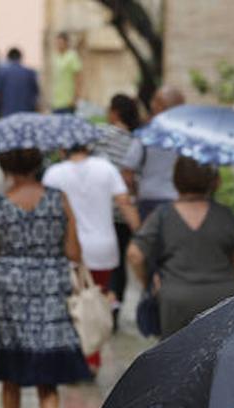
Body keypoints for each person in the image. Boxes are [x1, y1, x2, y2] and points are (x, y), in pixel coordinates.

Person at [127, 156, 234, 408]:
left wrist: (151, 283)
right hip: (221, 299)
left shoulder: (163, 215)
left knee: (181, 371)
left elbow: (135, 253)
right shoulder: (224, 215)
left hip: (176, 300)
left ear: (176, 179)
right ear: (210, 179)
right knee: (219, 370)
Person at [0, 147, 87, 408]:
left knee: (10, 376)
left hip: (9, 290)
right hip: (50, 287)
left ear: (8, 167)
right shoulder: (59, 200)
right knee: (47, 376)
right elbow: (73, 250)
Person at [42, 141, 140, 361]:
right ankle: (92, 356)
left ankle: (77, 357)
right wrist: (142, 235)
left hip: (68, 249)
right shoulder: (106, 168)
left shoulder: (54, 173)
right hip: (103, 248)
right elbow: (124, 203)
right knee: (95, 303)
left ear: (62, 149)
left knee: (72, 304)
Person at [95, 93, 141, 319]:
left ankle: (101, 306)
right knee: (119, 263)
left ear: (114, 112)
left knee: (103, 261)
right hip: (125, 212)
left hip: (102, 210)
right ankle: (115, 310)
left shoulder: (102, 134)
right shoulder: (136, 140)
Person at [121, 86, 183, 221]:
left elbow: (127, 175)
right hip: (180, 203)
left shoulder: (146, 135)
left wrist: (135, 193)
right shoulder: (188, 138)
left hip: (149, 201)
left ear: (159, 107)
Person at [0, 48, 39, 118]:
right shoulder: (30, 72)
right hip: (26, 113)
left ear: (8, 58)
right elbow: (36, 93)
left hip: (7, 113)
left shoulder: (2, 72)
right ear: (20, 57)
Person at [50, 33, 83, 114]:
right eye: (57, 43)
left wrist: (75, 98)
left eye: (60, 43)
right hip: (56, 102)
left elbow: (78, 78)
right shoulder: (56, 57)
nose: (58, 45)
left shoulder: (72, 56)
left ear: (66, 43)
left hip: (68, 101)